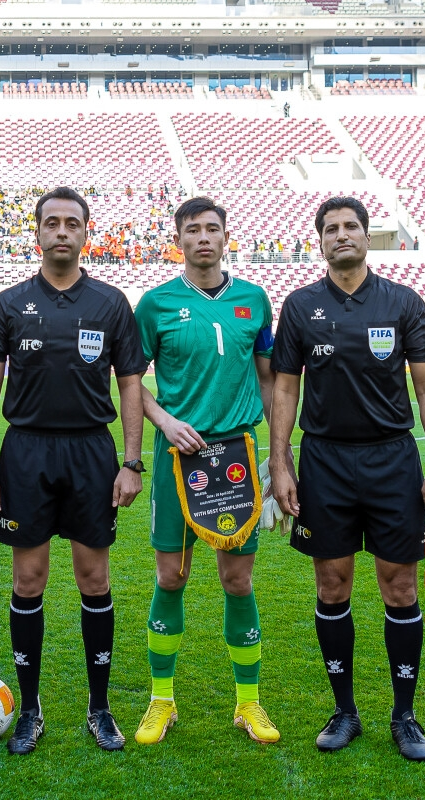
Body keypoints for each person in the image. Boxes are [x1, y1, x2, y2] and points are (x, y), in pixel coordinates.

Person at [269, 196, 425, 762]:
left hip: (392, 461)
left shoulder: (403, 301)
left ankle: (404, 715)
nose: (342, 235)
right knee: (332, 586)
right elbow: (284, 387)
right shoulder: (300, 306)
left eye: (351, 227)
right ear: (320, 241)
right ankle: (345, 710)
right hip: (324, 462)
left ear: (367, 237)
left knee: (399, 587)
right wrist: (280, 462)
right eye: (331, 229)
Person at [0, 187, 146, 755]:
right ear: (38, 233)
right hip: (27, 453)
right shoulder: (9, 304)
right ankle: (30, 709)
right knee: (29, 581)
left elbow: (130, 385)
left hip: (92, 452)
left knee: (94, 579)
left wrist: (132, 461)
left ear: (86, 232)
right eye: (53, 223)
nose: (62, 231)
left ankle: (100, 707)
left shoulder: (111, 303)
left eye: (73, 222)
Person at [131, 197, 279, 747]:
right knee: (171, 577)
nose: (203, 238)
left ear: (225, 237)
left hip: (238, 457)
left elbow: (271, 380)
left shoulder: (254, 300)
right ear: (179, 240)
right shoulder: (156, 304)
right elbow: (127, 380)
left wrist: (279, 453)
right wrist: (166, 422)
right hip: (179, 458)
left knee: (237, 580)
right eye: (192, 230)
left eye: (212, 229)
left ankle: (248, 702)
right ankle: (161, 700)